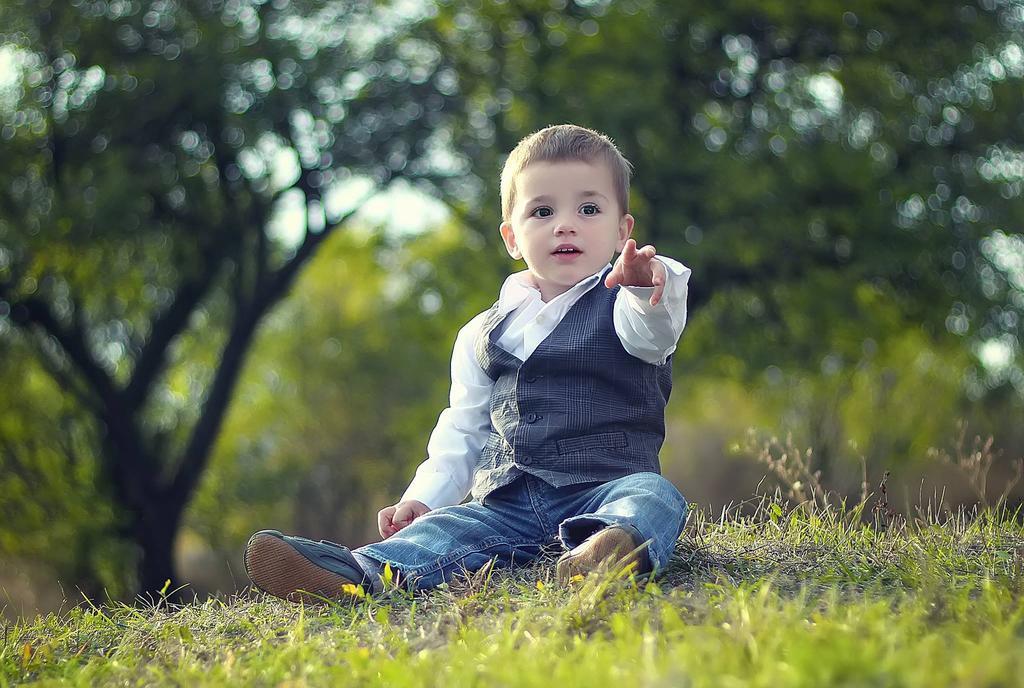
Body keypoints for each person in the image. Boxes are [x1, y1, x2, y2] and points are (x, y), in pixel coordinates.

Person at [244, 124, 691, 601]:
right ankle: (358, 576)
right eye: (542, 211)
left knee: (654, 497)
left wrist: (645, 285)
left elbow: (655, 331)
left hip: (603, 488)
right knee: (447, 530)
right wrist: (424, 497)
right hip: (507, 505)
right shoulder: (482, 333)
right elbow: (464, 427)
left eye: (589, 209)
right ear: (511, 238)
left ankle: (605, 553)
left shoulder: (627, 302)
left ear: (623, 230)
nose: (566, 224)